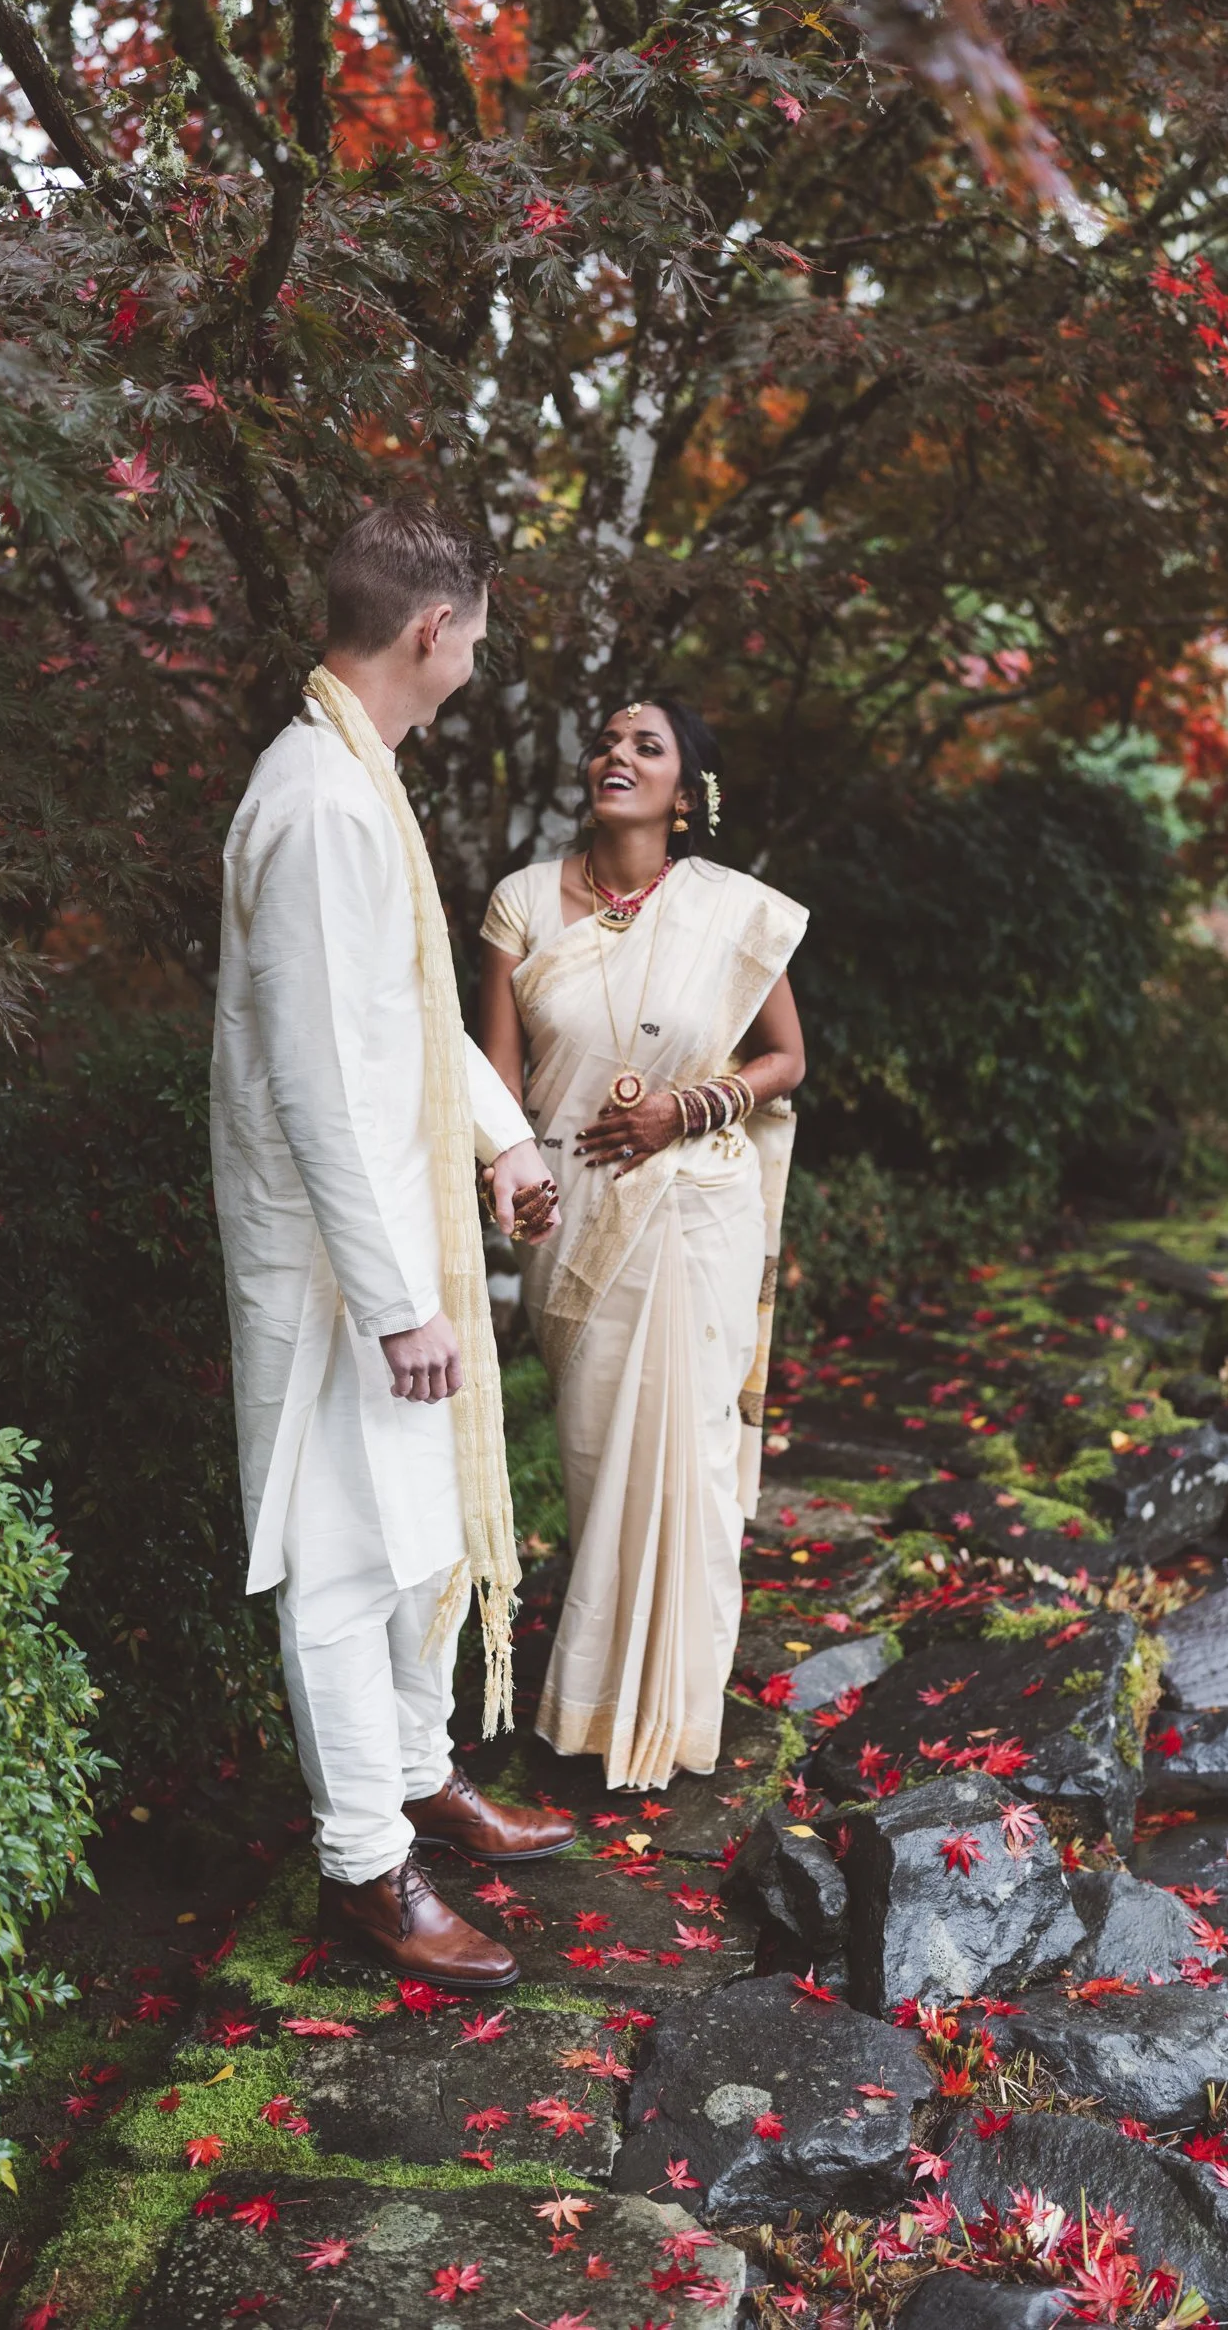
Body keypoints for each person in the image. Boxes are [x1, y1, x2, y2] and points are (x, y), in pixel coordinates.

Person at [210, 502, 574, 1989]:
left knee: (421, 1537)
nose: (477, 661)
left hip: (396, 1241)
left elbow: (410, 1024)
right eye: (477, 636)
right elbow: (311, 1073)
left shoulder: (361, 781)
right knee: (346, 1562)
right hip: (337, 1263)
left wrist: (504, 1135)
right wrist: (394, 1301)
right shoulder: (316, 800)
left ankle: (422, 1771)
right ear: (433, 630)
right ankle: (367, 1860)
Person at [478, 697, 807, 1792]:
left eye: (646, 746)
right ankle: (587, 1705)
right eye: (608, 739)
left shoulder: (731, 911)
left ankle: (668, 1717)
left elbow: (786, 1059)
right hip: (571, 1218)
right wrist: (505, 1167)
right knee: (593, 1464)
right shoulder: (525, 902)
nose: (616, 754)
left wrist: (690, 1109)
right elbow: (495, 1083)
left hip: (695, 1211)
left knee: (692, 1468)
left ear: (687, 791)